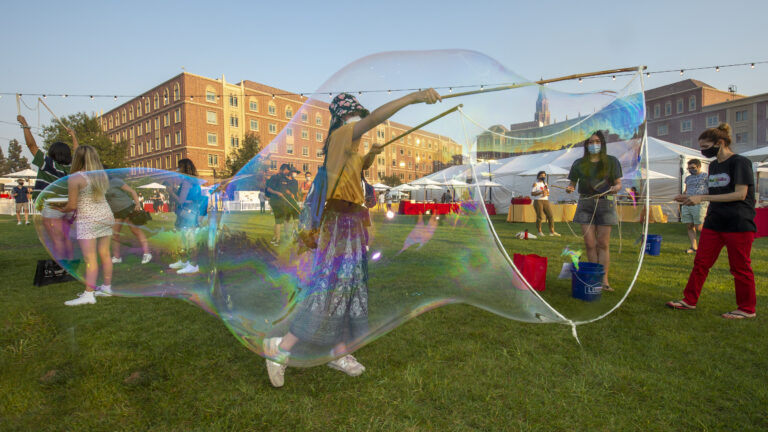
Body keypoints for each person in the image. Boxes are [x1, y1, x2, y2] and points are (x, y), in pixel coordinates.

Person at [263, 89, 441, 387]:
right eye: (355, 114)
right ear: (344, 117)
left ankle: (338, 352)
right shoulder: (342, 135)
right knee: (328, 287)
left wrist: (370, 155)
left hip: (350, 224)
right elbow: (373, 119)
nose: (359, 118)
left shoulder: (351, 150)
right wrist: (413, 98)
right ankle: (280, 349)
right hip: (338, 224)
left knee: (350, 289)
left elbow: (358, 172)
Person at [667, 123, 757, 319]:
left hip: (738, 223)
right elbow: (716, 191)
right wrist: (690, 196)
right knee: (701, 262)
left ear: (720, 143)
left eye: (706, 147)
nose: (703, 151)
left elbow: (740, 194)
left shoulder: (740, 162)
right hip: (715, 222)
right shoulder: (714, 165)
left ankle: (747, 309)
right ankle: (689, 300)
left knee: (740, 267)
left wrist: (703, 198)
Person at [56, 146, 114, 306]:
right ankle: (107, 288)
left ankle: (89, 294)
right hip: (105, 215)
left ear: (77, 159)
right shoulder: (101, 175)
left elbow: (72, 205)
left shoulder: (75, 177)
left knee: (90, 258)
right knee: (105, 254)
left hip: (88, 218)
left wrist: (61, 208)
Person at [565, 130, 622, 292]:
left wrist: (615, 188)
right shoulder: (578, 163)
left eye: (597, 141)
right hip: (585, 203)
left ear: (602, 144)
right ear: (586, 145)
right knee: (590, 243)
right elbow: (572, 183)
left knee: (603, 243)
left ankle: (604, 280)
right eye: (590, 142)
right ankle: (593, 277)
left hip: (605, 203)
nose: (593, 144)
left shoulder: (611, 161)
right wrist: (570, 188)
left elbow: (618, 183)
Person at [18, 115, 77, 261]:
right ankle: (71, 262)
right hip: (69, 205)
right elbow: (78, 152)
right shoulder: (72, 167)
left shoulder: (48, 163)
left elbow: (32, 146)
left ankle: (62, 266)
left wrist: (25, 125)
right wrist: (74, 136)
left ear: (52, 153)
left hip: (52, 205)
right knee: (66, 236)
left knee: (56, 238)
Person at [105, 170, 152, 265]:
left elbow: (132, 191)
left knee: (136, 231)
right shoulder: (100, 186)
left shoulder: (115, 181)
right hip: (117, 212)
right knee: (115, 234)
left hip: (127, 209)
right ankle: (116, 257)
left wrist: (137, 205)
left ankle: (147, 253)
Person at [167, 159, 204, 274]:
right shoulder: (194, 181)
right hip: (191, 212)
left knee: (189, 239)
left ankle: (193, 265)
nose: (177, 170)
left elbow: (181, 201)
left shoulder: (186, 182)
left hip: (187, 213)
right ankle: (185, 261)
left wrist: (171, 192)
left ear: (183, 168)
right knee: (184, 238)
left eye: (179, 167)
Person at [681, 159, 708, 254]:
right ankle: (694, 247)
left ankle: (706, 247)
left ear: (699, 166)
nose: (690, 170)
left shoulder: (706, 176)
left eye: (693, 168)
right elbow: (686, 190)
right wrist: (682, 198)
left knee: (699, 227)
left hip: (700, 204)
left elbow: (710, 191)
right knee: (689, 226)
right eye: (689, 168)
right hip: (687, 203)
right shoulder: (688, 178)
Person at [265, 164, 294, 246]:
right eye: (286, 170)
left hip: (282, 202)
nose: (287, 172)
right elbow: (269, 189)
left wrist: (289, 193)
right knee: (279, 221)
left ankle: (274, 238)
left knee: (278, 221)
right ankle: (277, 240)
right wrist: (277, 193)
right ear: (282, 169)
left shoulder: (285, 179)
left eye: (288, 171)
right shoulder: (275, 177)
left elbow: (285, 189)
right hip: (276, 201)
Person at [530, 171, 560, 237]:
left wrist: (546, 193)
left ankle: (552, 231)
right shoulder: (535, 184)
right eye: (541, 175)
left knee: (550, 216)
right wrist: (541, 192)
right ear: (538, 176)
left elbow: (548, 193)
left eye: (544, 175)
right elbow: (532, 193)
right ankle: (539, 231)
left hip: (546, 200)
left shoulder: (545, 184)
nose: (543, 177)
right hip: (538, 201)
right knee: (540, 216)